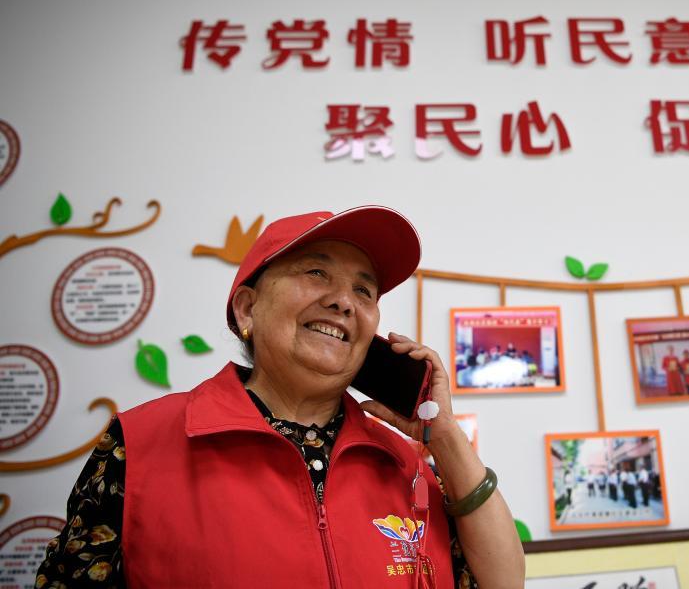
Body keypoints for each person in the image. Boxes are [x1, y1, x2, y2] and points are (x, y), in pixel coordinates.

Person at [35, 207, 525, 589]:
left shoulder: (405, 463)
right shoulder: (142, 442)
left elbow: (503, 582)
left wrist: (445, 438)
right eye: (316, 273)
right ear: (247, 308)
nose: (344, 301)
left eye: (364, 290)